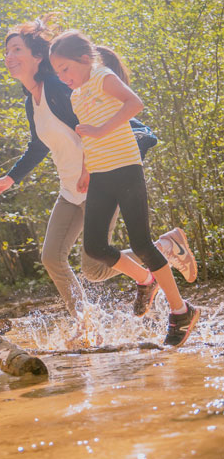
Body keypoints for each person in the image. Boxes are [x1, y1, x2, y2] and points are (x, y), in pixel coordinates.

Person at [0, 15, 197, 322]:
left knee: (94, 268)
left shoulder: (59, 88)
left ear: (37, 56)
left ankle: (165, 247)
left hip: (98, 179)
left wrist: (88, 168)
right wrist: (10, 178)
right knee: (51, 258)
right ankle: (87, 322)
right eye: (6, 52)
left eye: (16, 49)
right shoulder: (32, 102)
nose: (9, 57)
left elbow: (90, 123)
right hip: (70, 190)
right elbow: (38, 145)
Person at [48, 28, 200, 346]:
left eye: (66, 69)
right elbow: (88, 137)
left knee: (143, 244)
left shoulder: (102, 77)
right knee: (94, 248)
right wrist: (87, 171)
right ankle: (146, 281)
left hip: (127, 171)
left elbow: (135, 104)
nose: (63, 77)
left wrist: (101, 129)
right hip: (100, 177)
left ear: (84, 59)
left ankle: (180, 312)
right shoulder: (76, 96)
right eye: (58, 72)